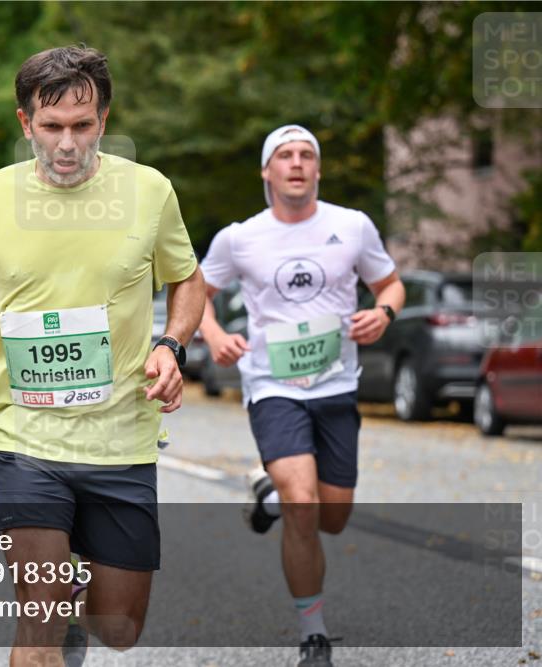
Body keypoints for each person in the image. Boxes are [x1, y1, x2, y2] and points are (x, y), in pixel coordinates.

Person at [0, 46, 205, 667]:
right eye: (51, 127)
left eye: (83, 126)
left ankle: (78, 606)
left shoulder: (149, 192)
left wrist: (172, 344)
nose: (68, 144)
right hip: (25, 434)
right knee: (38, 611)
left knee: (119, 627)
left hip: (122, 436)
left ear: (105, 118)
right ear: (25, 123)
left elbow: (188, 278)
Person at [198, 125, 405, 667]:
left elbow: (391, 284)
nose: (296, 163)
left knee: (332, 518)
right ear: (267, 171)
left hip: (337, 385)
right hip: (272, 386)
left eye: (306, 155)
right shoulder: (240, 238)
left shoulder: (352, 226)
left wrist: (382, 314)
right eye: (284, 155)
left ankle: (268, 495)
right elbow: (194, 292)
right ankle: (313, 632)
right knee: (304, 503)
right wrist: (216, 336)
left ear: (318, 169)